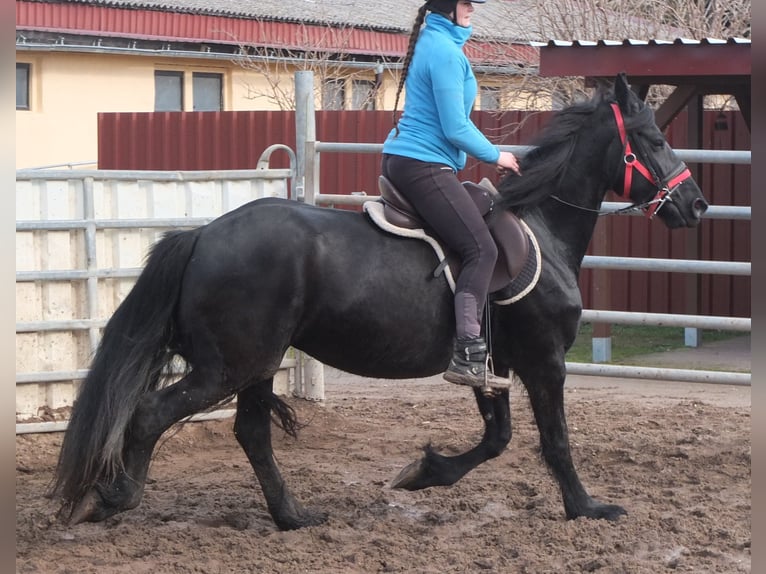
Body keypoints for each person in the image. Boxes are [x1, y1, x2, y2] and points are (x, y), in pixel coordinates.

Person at [381, 0, 521, 388]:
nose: (473, 9)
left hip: (412, 160)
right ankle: (468, 354)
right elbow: (455, 127)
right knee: (482, 249)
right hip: (423, 165)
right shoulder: (444, 52)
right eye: (466, 3)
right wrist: (497, 154)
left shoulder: (435, 42)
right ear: (447, 7)